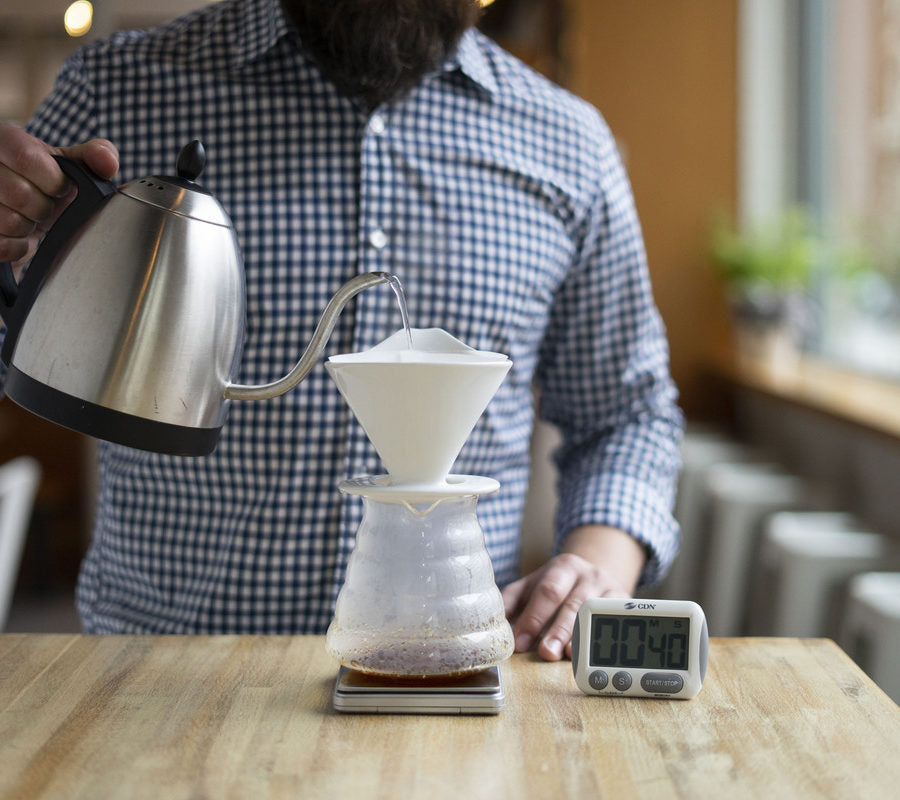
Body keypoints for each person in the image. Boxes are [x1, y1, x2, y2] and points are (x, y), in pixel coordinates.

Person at [0, 0, 683, 660]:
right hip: (163, 678)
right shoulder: (118, 91)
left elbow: (626, 415)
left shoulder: (569, 144)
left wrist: (595, 566)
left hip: (445, 675)